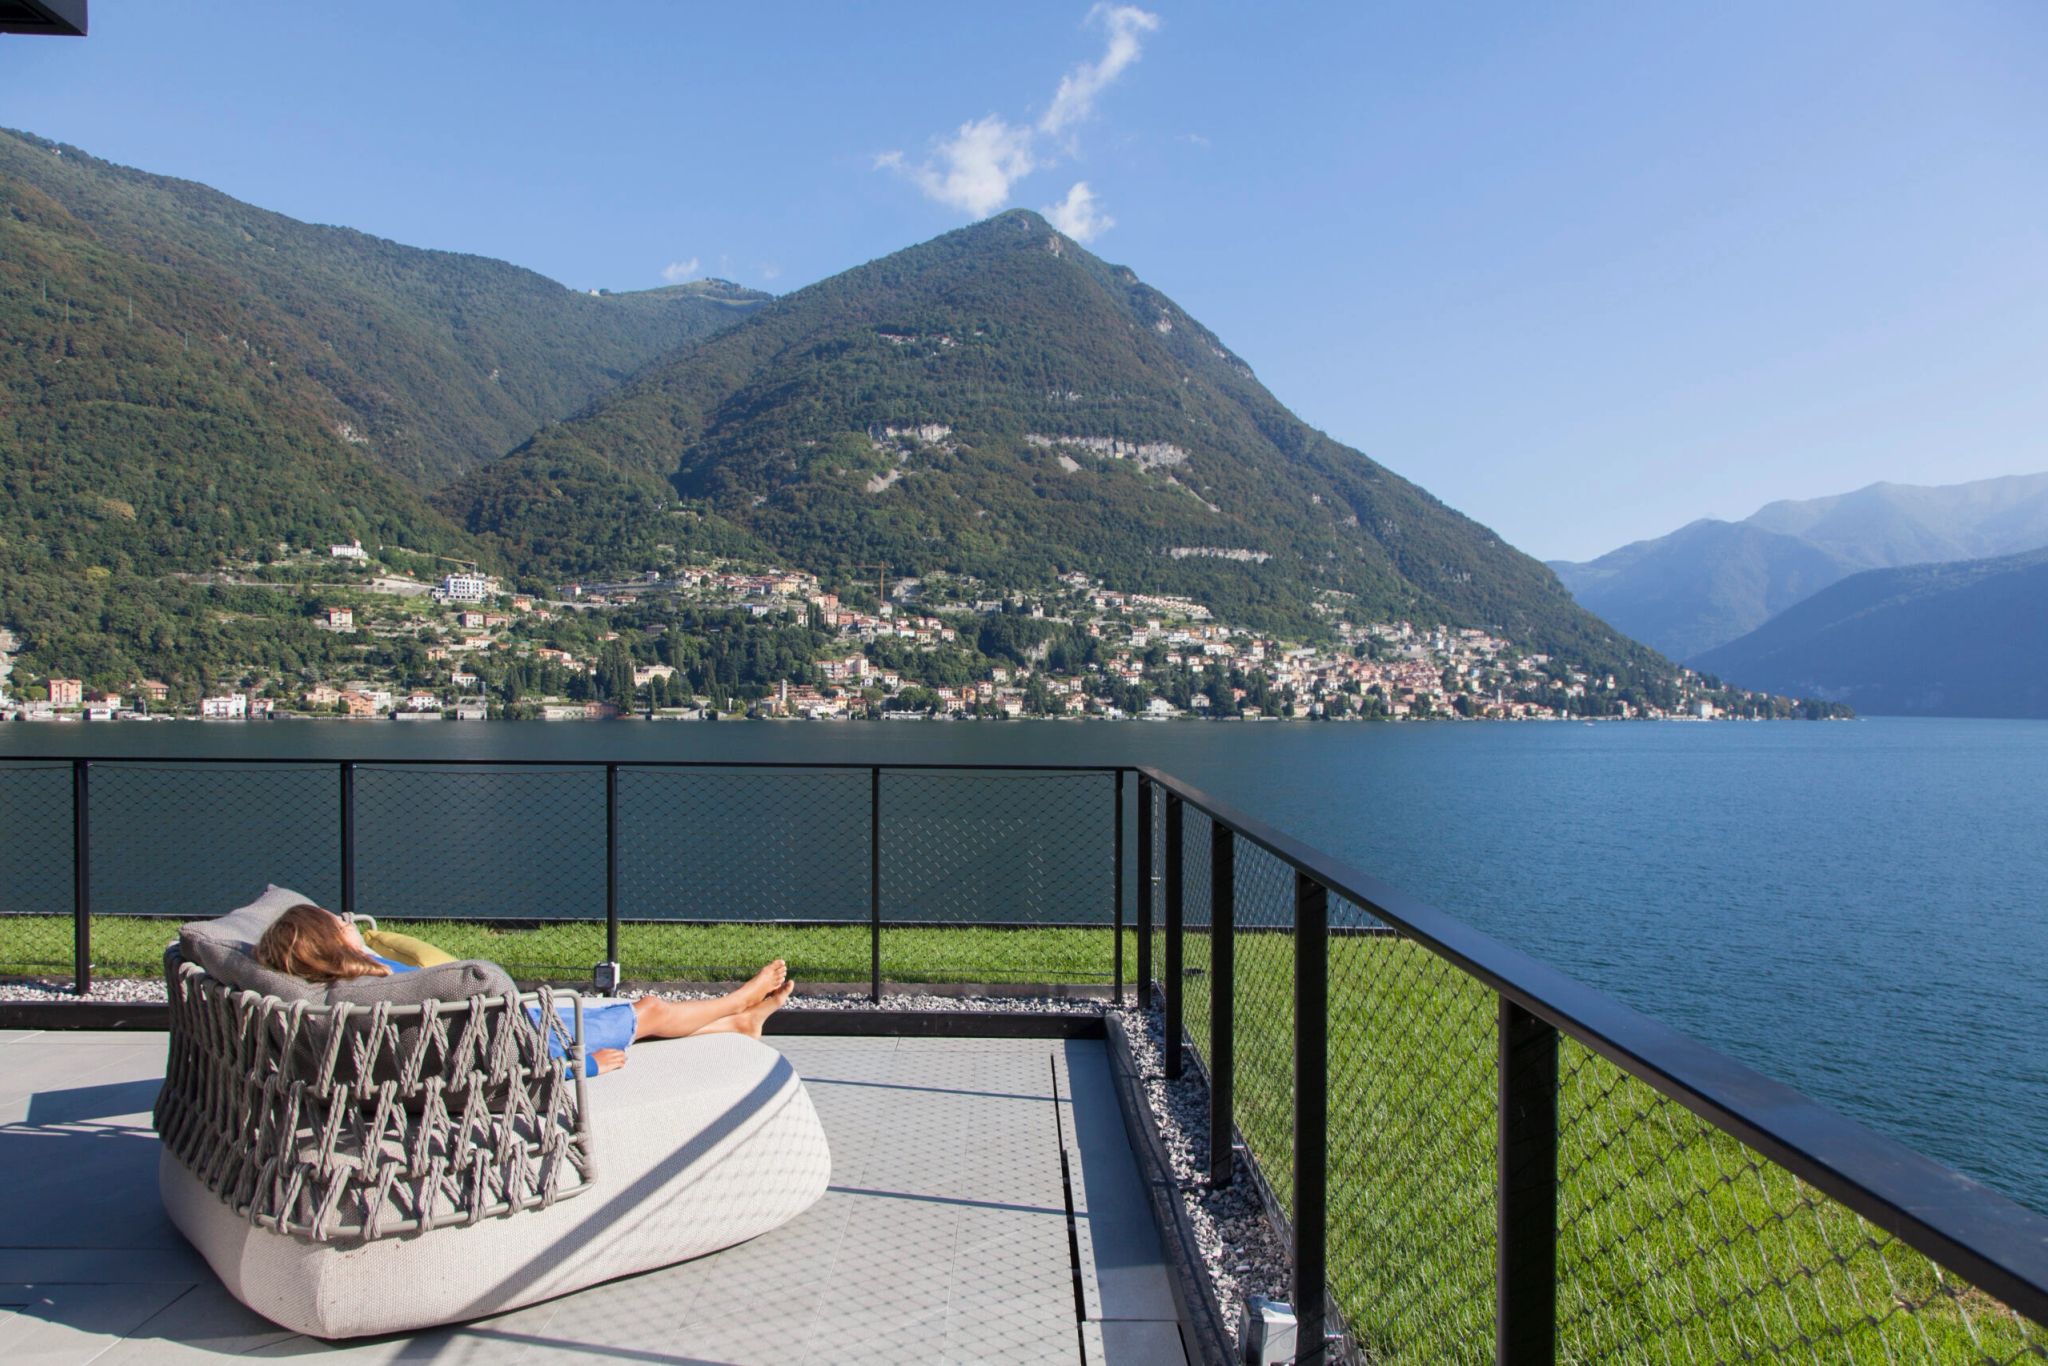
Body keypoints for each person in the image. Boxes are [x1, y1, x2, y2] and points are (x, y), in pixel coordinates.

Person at [252, 903, 794, 1074]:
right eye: (341, 921)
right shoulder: (381, 987)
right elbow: (489, 1069)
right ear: (331, 940)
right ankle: (737, 1002)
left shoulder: (350, 989)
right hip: (529, 1038)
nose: (350, 920)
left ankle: (740, 1023)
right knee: (647, 1010)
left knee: (630, 1014)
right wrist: (582, 1066)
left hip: (510, 1024)